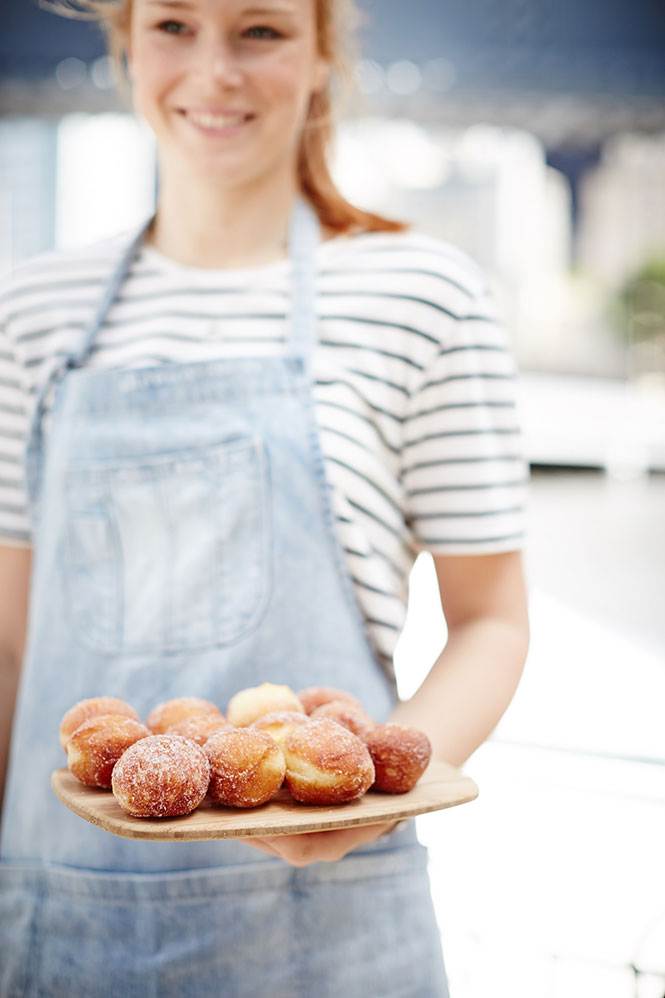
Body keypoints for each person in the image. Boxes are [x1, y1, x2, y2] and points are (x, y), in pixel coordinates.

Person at [0, 0, 530, 994]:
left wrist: (370, 794)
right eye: (170, 26)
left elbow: (491, 619)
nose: (213, 72)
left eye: (260, 30)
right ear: (123, 44)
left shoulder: (423, 295)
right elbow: (12, 644)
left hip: (326, 931)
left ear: (323, 53)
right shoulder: (35, 309)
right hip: (56, 914)